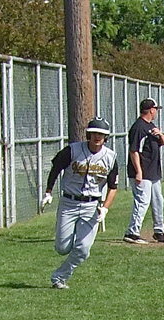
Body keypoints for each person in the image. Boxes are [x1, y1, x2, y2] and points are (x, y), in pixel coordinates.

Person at [40, 116, 118, 289]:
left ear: (106, 137)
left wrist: (105, 208)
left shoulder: (111, 157)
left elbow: (113, 186)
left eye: (101, 134)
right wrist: (48, 192)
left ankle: (60, 277)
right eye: (94, 133)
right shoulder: (72, 151)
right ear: (88, 135)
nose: (97, 137)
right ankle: (71, 243)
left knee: (83, 249)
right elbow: (56, 169)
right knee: (62, 247)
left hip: (92, 206)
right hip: (69, 202)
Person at [124, 97, 164, 244]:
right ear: (151, 110)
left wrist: (160, 134)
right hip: (142, 172)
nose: (156, 112)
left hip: (153, 172)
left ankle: (159, 231)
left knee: (158, 201)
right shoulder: (138, 127)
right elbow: (134, 151)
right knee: (142, 201)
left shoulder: (151, 126)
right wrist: (138, 171)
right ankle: (132, 232)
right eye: (155, 109)